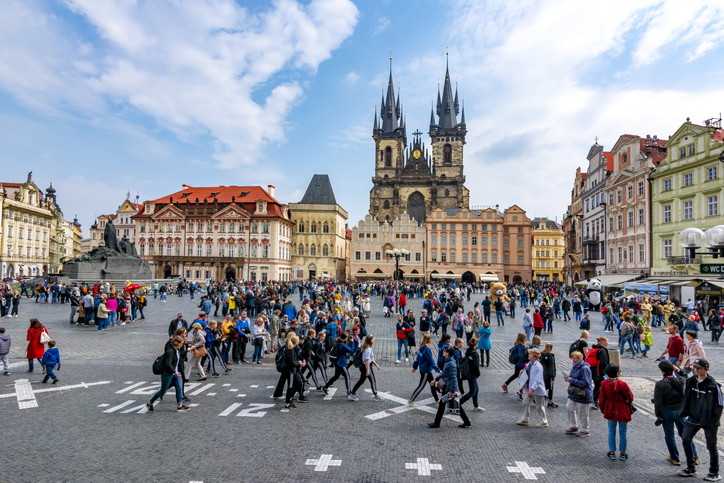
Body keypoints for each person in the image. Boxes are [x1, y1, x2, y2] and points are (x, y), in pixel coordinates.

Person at [678, 358, 722, 480]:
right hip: (693, 417)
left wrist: (713, 421)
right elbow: (686, 396)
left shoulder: (714, 386)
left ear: (706, 369)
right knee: (685, 438)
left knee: (711, 446)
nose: (696, 370)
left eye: (699, 368)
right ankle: (690, 468)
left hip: (709, 421)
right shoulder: (691, 381)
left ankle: (714, 472)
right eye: (695, 367)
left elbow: (719, 405)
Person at [654, 360, 699, 467]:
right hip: (680, 411)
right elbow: (685, 375)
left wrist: (658, 414)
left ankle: (674, 458)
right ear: (672, 369)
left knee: (669, 435)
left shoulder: (660, 384)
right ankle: (694, 456)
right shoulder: (680, 380)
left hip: (667, 412)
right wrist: (678, 369)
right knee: (685, 435)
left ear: (661, 371)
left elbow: (658, 401)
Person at [429, 346, 471, 429]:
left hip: (449, 389)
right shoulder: (448, 361)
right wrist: (435, 379)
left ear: (447, 353)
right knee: (456, 405)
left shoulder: (451, 363)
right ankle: (466, 421)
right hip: (448, 388)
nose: (443, 352)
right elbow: (445, 374)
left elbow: (454, 377)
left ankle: (437, 423)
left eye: (444, 351)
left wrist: (452, 391)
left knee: (442, 403)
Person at [599, 363, 633, 460]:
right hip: (622, 409)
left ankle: (612, 451)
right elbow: (630, 398)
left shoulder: (604, 383)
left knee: (611, 431)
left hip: (610, 408)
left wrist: (603, 409)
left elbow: (601, 399)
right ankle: (622, 453)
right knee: (623, 432)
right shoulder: (623, 384)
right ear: (617, 373)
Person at [146, 336, 189, 412]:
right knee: (163, 390)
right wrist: (174, 371)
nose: (182, 345)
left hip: (175, 373)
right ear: (177, 343)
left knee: (179, 388)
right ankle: (150, 403)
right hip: (168, 373)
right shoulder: (170, 351)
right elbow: (167, 364)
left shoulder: (176, 350)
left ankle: (180, 405)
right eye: (181, 344)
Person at [517, 347, 548, 428]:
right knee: (525, 403)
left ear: (535, 356)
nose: (528, 355)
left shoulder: (538, 366)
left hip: (536, 389)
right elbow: (527, 374)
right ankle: (525, 419)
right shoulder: (529, 364)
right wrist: (522, 372)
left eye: (530, 354)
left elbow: (538, 380)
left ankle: (544, 421)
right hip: (529, 388)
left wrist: (532, 390)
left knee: (539, 406)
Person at [564, 350, 593, 438]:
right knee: (569, 407)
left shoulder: (584, 368)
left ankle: (585, 430)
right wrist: (568, 378)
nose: (573, 360)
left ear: (580, 358)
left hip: (583, 394)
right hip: (574, 392)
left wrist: (571, 380)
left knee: (583, 413)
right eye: (572, 358)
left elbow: (586, 383)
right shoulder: (575, 366)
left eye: (575, 358)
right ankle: (573, 426)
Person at [350, 335, 385, 402]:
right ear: (369, 341)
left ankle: (352, 393)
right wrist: (368, 370)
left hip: (365, 367)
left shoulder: (366, 348)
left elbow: (371, 359)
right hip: (366, 367)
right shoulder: (368, 349)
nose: (374, 340)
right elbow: (367, 360)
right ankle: (376, 396)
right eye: (373, 339)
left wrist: (376, 365)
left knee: (362, 381)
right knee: (372, 381)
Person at [409, 334, 441, 406]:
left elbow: (417, 359)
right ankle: (411, 400)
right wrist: (438, 370)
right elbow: (431, 361)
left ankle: (437, 400)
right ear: (429, 340)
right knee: (421, 386)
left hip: (425, 370)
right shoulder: (426, 350)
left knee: (432, 384)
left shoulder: (422, 348)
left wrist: (415, 367)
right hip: (426, 370)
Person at [323, 332, 356, 400]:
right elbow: (351, 350)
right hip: (342, 363)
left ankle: (325, 387)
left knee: (336, 376)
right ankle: (349, 391)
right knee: (347, 377)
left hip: (337, 362)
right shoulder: (342, 345)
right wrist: (352, 342)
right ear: (346, 338)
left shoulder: (338, 342)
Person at [282, 334, 308, 411]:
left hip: (294, 369)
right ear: (295, 341)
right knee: (290, 386)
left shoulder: (293, 349)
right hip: (290, 370)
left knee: (299, 383)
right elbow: (291, 362)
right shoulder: (290, 350)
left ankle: (290, 399)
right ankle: (287, 402)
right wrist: (299, 363)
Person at [459, 337, 484, 412]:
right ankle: (457, 403)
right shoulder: (475, 354)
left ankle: (476, 405)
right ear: (476, 344)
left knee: (476, 390)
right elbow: (476, 366)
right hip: (472, 374)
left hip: (468, 372)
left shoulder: (468, 351)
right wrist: (478, 374)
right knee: (472, 392)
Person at [588, 336, 610, 411]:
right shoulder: (602, 350)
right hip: (599, 372)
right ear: (603, 342)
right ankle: (594, 401)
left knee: (597, 386)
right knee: (600, 387)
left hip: (593, 370)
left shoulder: (594, 349)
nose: (608, 343)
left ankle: (594, 400)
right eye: (607, 341)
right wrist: (605, 374)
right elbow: (603, 363)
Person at [540, 342, 557, 408]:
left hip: (543, 374)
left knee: (544, 387)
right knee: (550, 388)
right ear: (551, 348)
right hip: (549, 375)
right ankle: (550, 402)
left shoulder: (542, 355)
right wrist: (553, 378)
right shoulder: (550, 356)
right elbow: (551, 368)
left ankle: (537, 399)